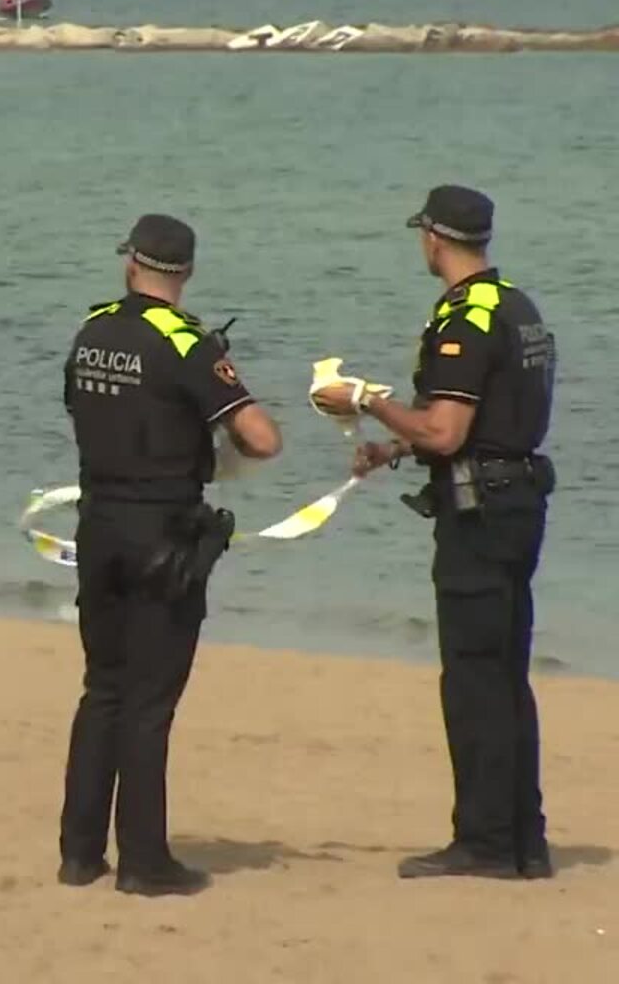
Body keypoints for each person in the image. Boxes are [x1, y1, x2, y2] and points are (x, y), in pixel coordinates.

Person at [313, 186, 556, 880]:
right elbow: (488, 422)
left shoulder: (462, 317)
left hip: (480, 515)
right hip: (518, 499)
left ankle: (483, 841)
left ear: (434, 239)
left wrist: (366, 400)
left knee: (474, 679)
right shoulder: (517, 306)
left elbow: (446, 430)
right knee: (507, 674)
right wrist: (395, 451)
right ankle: (523, 840)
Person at [58, 214, 283, 897]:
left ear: (132, 263)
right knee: (151, 701)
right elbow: (263, 438)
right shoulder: (185, 343)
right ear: (184, 273)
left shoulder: (92, 331)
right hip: (162, 533)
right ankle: (146, 863)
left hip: (97, 524)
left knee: (104, 687)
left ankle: (79, 853)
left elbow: (83, 408)